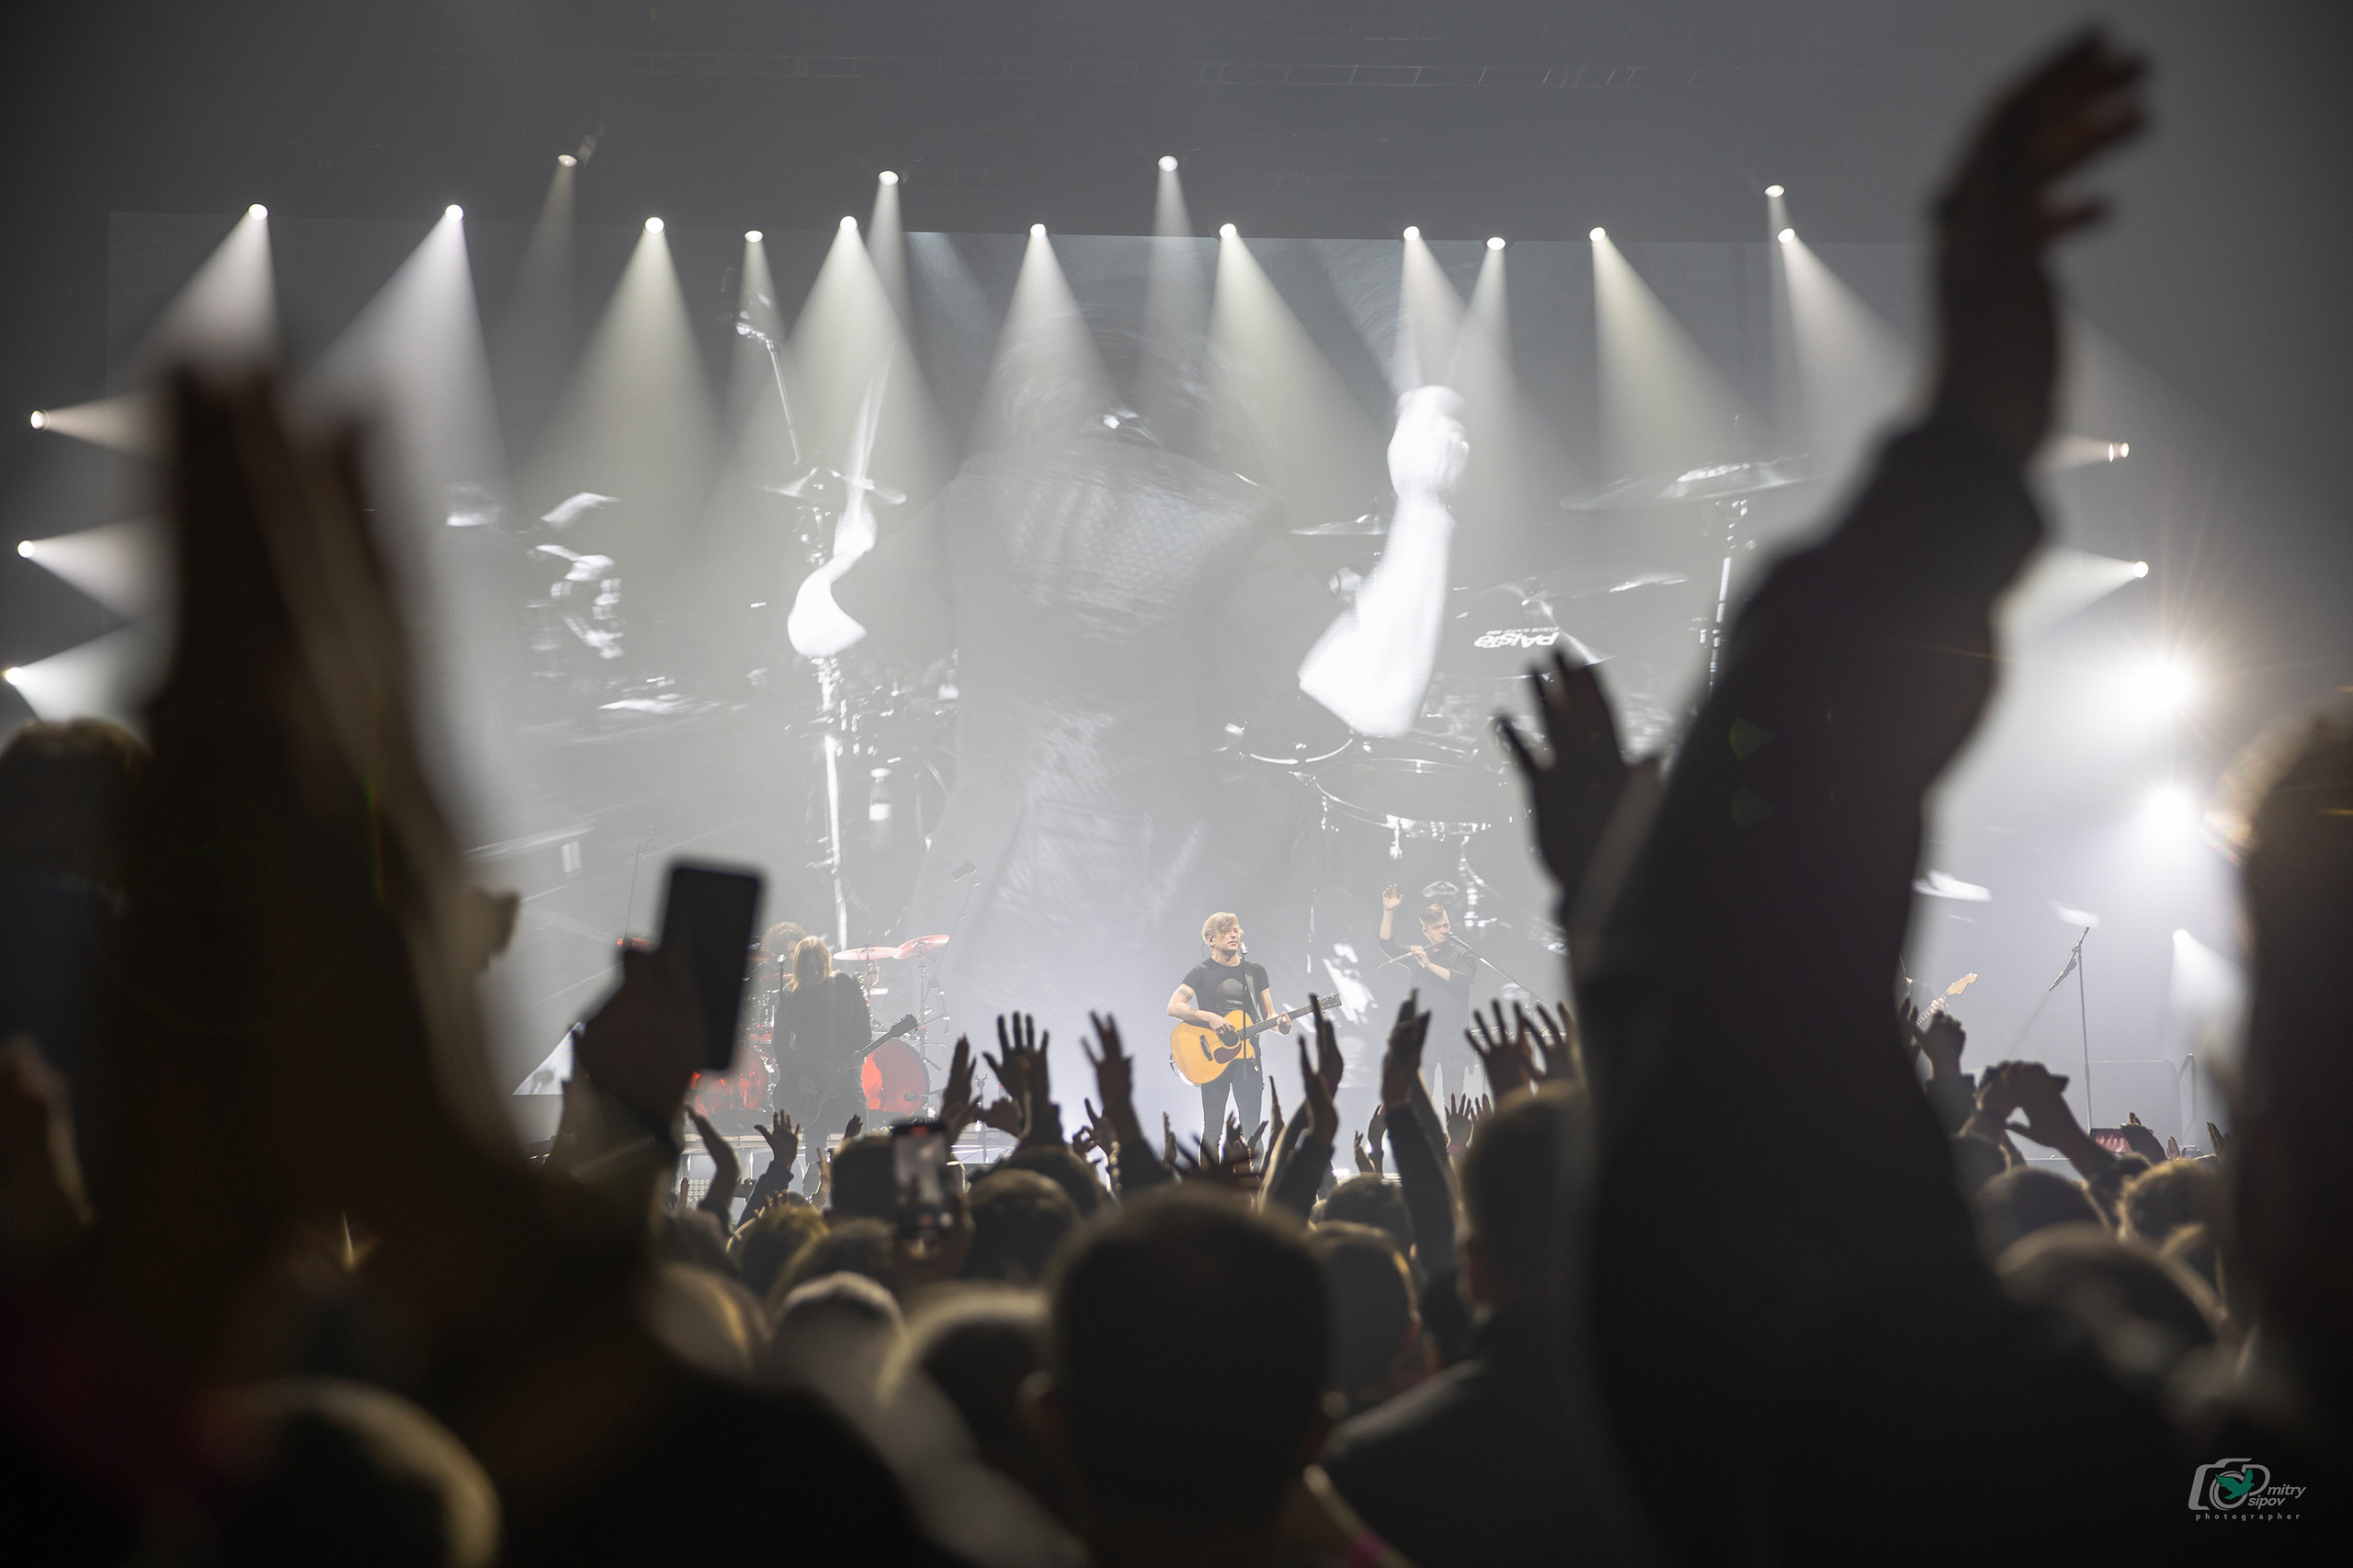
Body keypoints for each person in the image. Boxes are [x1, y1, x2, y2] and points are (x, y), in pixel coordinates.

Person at [786, 350, 1470, 1049]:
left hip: (975, 917)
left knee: (983, 1128)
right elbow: (1382, 693)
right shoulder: (1222, 517)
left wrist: (850, 556)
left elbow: (810, 630)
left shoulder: (977, 494)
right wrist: (1424, 496)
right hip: (1142, 933)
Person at [1166, 912, 1291, 1146]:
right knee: (1213, 1130)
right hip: (1212, 1058)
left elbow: (1269, 1016)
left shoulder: (1255, 971)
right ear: (1210, 939)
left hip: (1248, 1058)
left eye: (1235, 930)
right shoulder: (1201, 972)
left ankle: (1258, 1182)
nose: (1233, 934)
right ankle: (1210, 1182)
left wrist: (1281, 1026)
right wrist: (1209, 1018)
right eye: (1225, 931)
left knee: (1252, 1130)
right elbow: (1174, 1007)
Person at [773, 934, 876, 1128]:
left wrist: (859, 1053)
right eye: (809, 968)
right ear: (800, 969)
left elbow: (863, 1031)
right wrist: (798, 1077)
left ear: (826, 962)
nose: (816, 971)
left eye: (819, 966)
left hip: (845, 1076)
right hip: (810, 1081)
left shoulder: (845, 986)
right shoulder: (791, 996)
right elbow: (780, 1043)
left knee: (859, 1134)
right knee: (815, 1147)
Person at [1376, 885, 1474, 1088]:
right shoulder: (1417, 957)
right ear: (1425, 931)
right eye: (1437, 928)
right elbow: (1387, 945)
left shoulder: (1463, 953)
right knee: (1422, 1101)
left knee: (1454, 1101)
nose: (1444, 931)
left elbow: (1461, 979)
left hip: (1454, 1039)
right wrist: (1388, 911)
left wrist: (1428, 964)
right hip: (1424, 1039)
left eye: (1446, 926)